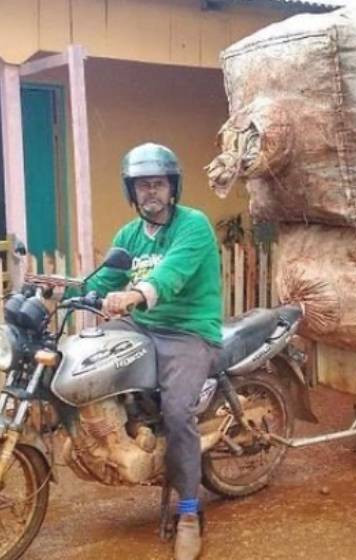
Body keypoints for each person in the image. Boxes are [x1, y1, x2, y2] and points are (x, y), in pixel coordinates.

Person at [87, 142, 222, 559]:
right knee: (86, 358)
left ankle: (187, 512)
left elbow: (170, 275)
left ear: (172, 187)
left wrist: (135, 295)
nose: (151, 193)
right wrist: (75, 292)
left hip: (188, 331)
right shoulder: (128, 235)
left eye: (158, 184)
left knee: (177, 412)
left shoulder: (193, 225)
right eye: (142, 185)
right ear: (131, 191)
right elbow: (104, 281)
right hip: (142, 327)